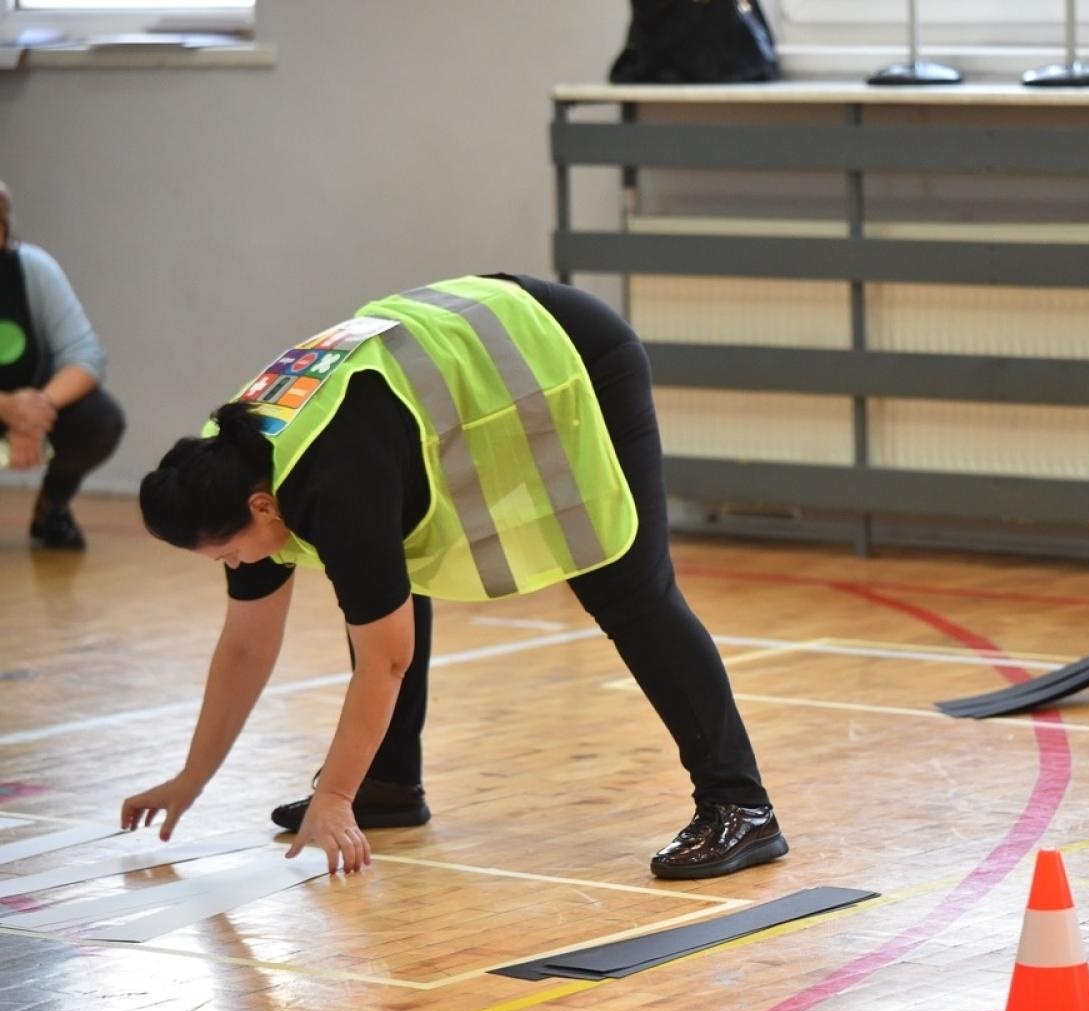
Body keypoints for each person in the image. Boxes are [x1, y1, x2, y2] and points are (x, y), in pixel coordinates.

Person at [123, 274, 787, 879]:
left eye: (228, 554)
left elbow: (385, 659)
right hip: (463, 386)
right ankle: (389, 780)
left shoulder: (331, 482)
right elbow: (245, 645)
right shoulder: (229, 466)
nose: (233, 567)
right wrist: (191, 778)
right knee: (382, 576)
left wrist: (333, 797)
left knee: (628, 589)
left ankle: (741, 806)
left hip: (573, 359)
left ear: (261, 507)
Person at [0, 179, 125, 548]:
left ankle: (51, 508)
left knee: (99, 419)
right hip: (10, 408)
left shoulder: (32, 269)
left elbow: (85, 355)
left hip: (31, 408)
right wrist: (9, 408)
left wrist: (37, 412)